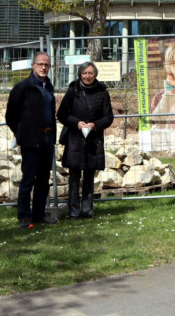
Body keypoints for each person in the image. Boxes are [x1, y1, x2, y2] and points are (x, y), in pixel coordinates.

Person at [6, 52, 60, 228]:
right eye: (40, 64)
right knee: (28, 179)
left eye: (46, 65)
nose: (43, 67)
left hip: (48, 138)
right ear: (33, 65)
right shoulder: (22, 87)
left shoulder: (49, 87)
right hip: (31, 140)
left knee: (43, 179)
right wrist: (21, 133)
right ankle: (24, 215)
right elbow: (10, 116)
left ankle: (38, 214)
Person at [57, 62, 114, 219]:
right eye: (84, 73)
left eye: (90, 73)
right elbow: (61, 114)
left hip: (93, 140)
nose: (87, 76)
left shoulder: (102, 92)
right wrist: (77, 123)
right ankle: (74, 211)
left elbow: (108, 117)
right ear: (80, 74)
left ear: (95, 74)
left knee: (89, 176)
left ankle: (87, 210)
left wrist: (95, 125)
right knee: (74, 177)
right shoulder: (73, 90)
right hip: (75, 139)